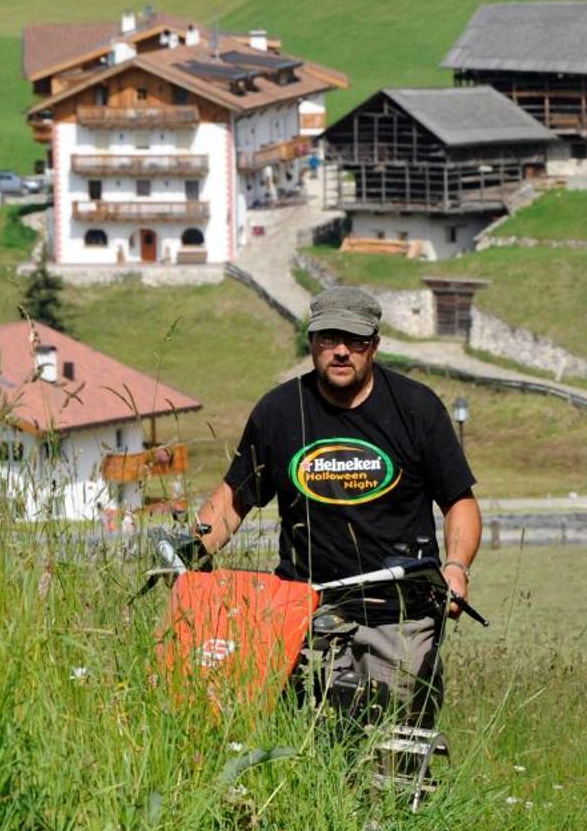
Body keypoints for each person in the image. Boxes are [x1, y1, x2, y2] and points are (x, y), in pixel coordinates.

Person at [190, 285, 480, 726]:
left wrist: (457, 566)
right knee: (306, 737)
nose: (341, 351)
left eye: (356, 341)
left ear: (374, 347)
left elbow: (459, 502)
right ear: (311, 342)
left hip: (400, 613)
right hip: (305, 610)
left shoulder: (417, 408)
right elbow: (233, 500)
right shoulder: (280, 411)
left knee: (394, 742)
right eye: (328, 339)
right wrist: (190, 554)